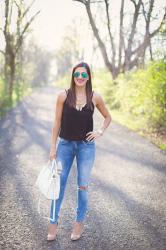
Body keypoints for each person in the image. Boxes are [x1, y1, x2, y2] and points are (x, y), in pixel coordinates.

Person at [47, 62, 111, 241]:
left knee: (82, 187)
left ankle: (79, 223)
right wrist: (53, 148)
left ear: (89, 77)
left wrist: (99, 131)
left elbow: (108, 117)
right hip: (65, 145)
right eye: (77, 74)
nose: (80, 78)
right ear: (73, 76)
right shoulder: (63, 95)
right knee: (58, 185)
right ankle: (53, 223)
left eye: (84, 75)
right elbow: (57, 123)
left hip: (86, 147)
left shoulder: (95, 97)